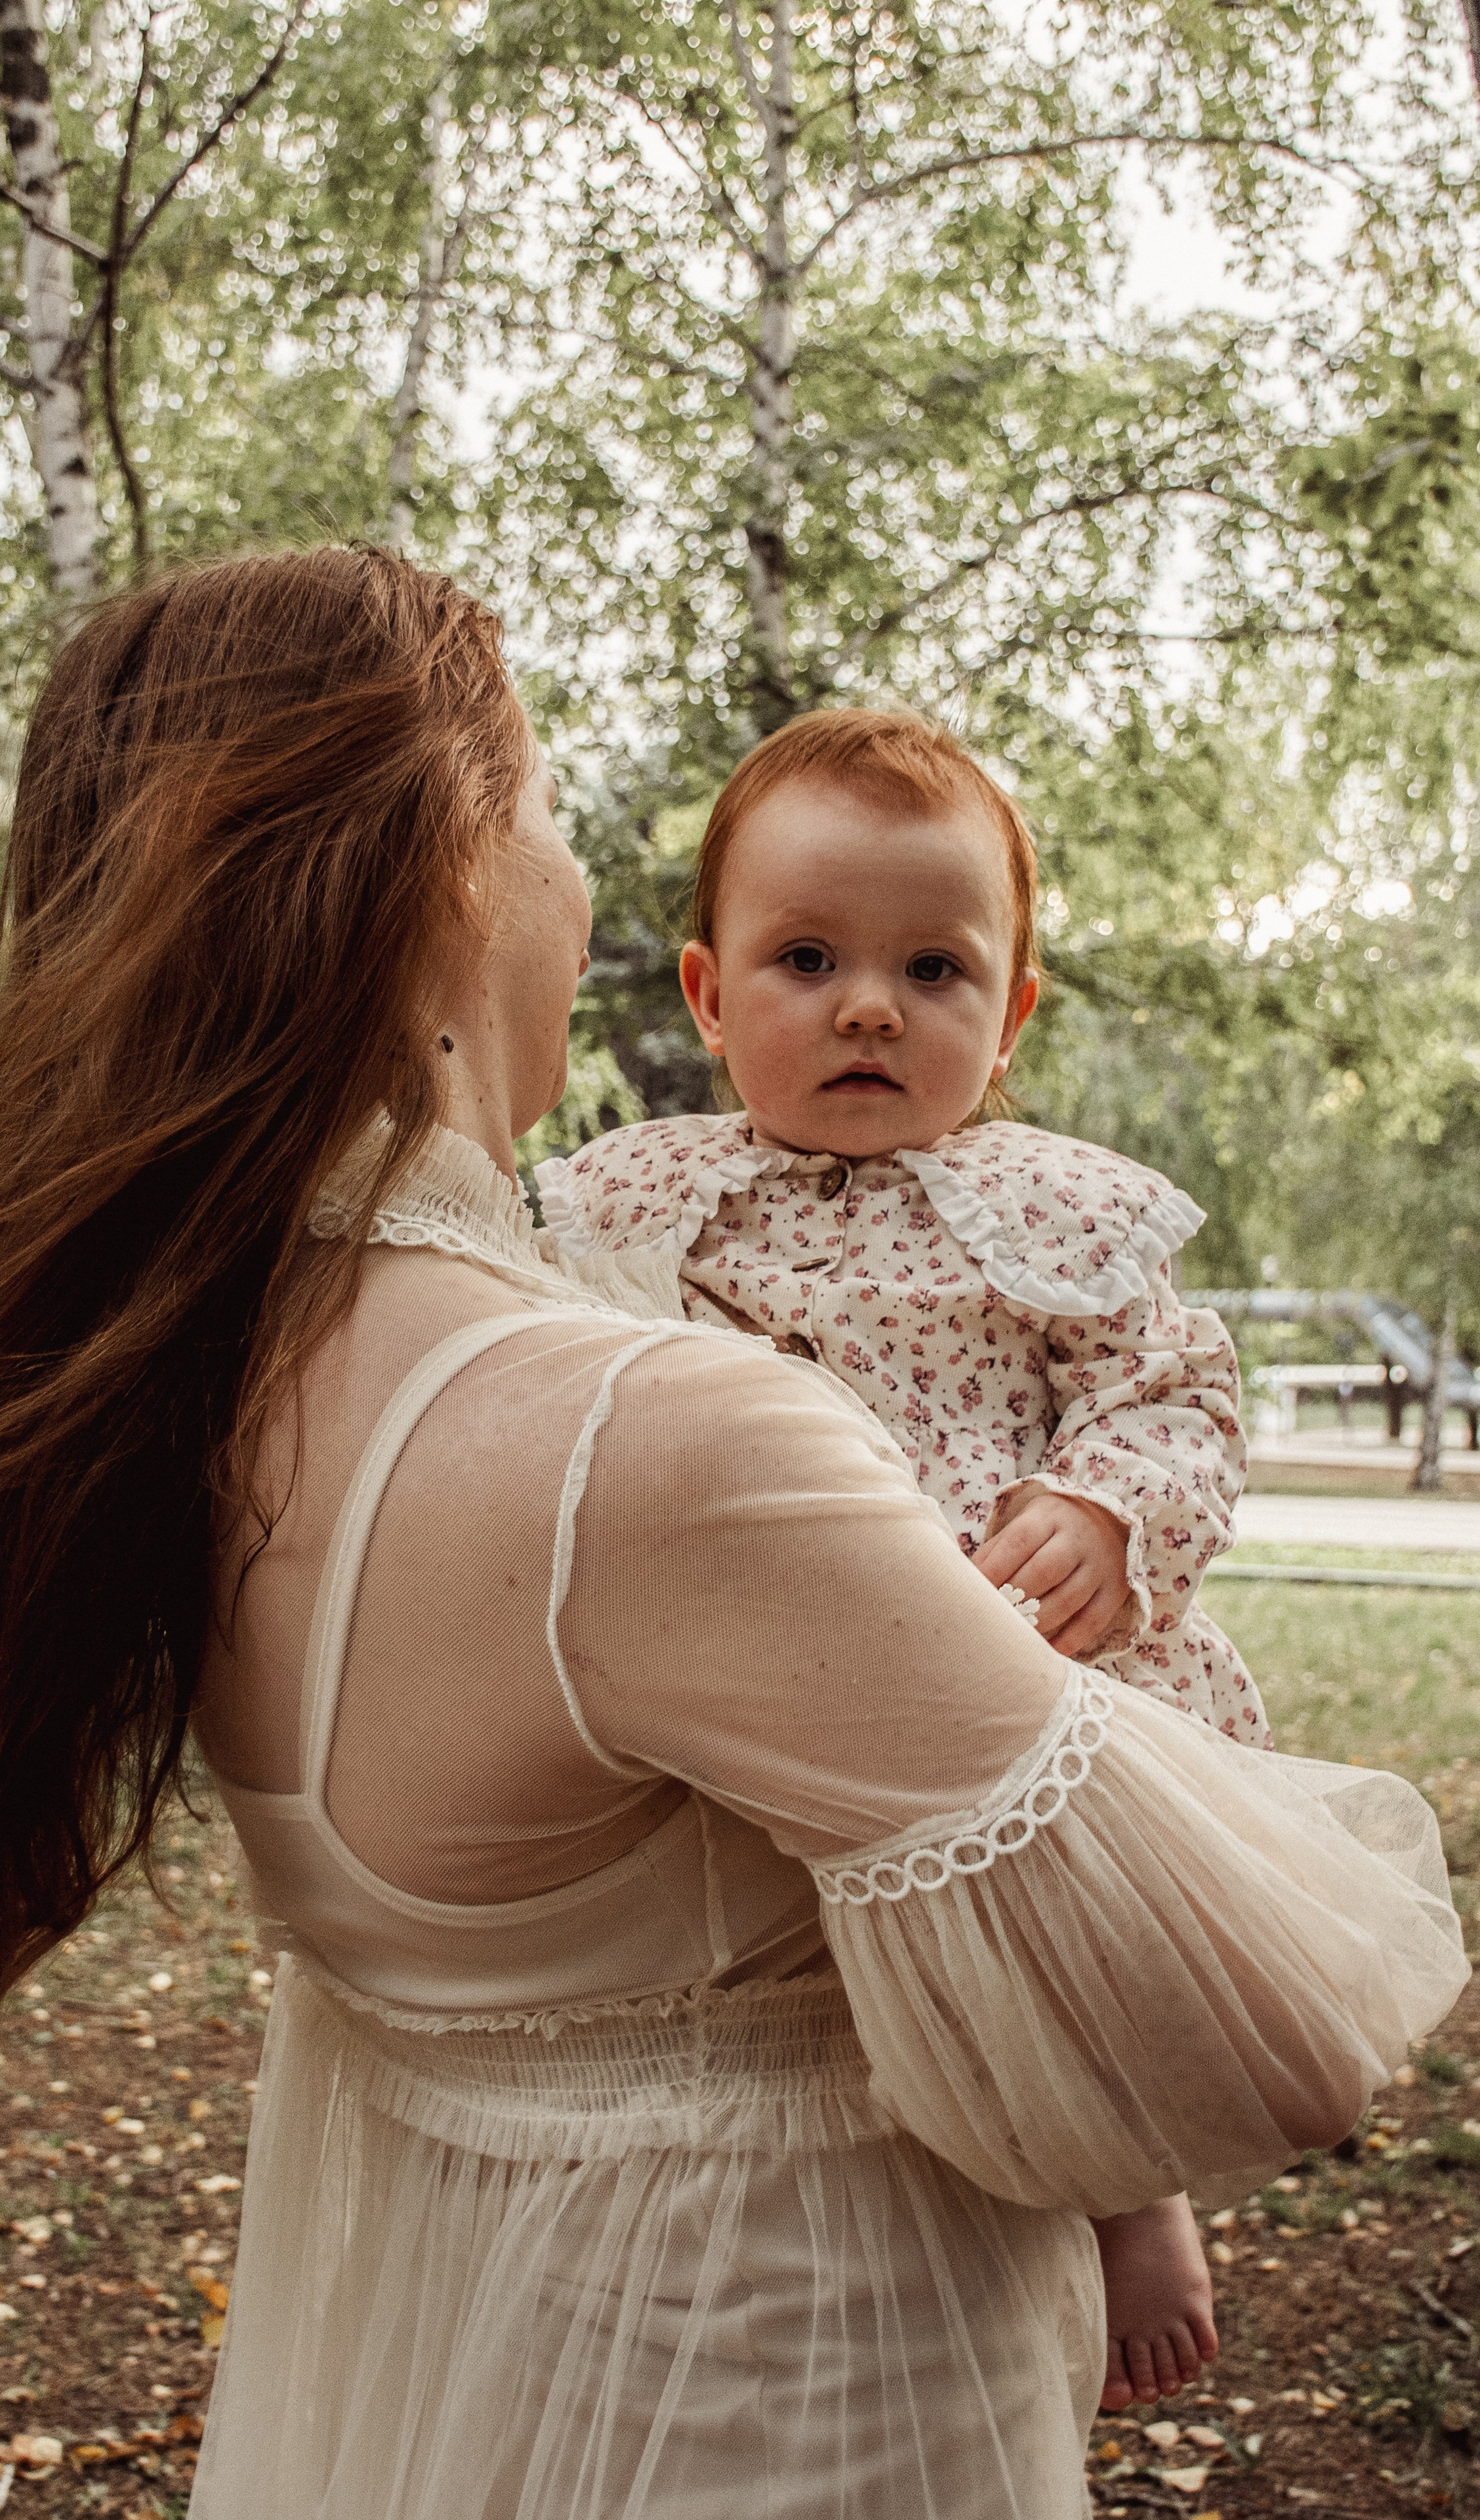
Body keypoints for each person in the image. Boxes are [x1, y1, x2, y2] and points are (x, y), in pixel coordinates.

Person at [0, 550, 1464, 2520]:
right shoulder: (646, 1436)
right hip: (797, 2419)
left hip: (466, 2400)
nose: (579, 888)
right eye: (559, 814)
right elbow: (1252, 2036)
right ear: (450, 871)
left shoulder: (189, 1386)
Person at [536, 706, 1267, 2416]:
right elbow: (568, 1375)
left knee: (1063, 1937)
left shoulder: (1053, 1214)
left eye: (935, 969)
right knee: (785, 1948)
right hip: (767, 1648)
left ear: (1008, 1015)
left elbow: (1175, 1389)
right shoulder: (642, 1204)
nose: (870, 1005)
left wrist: (1105, 1510)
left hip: (1010, 1652)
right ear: (712, 998)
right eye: (808, 957)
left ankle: (1124, 2179)